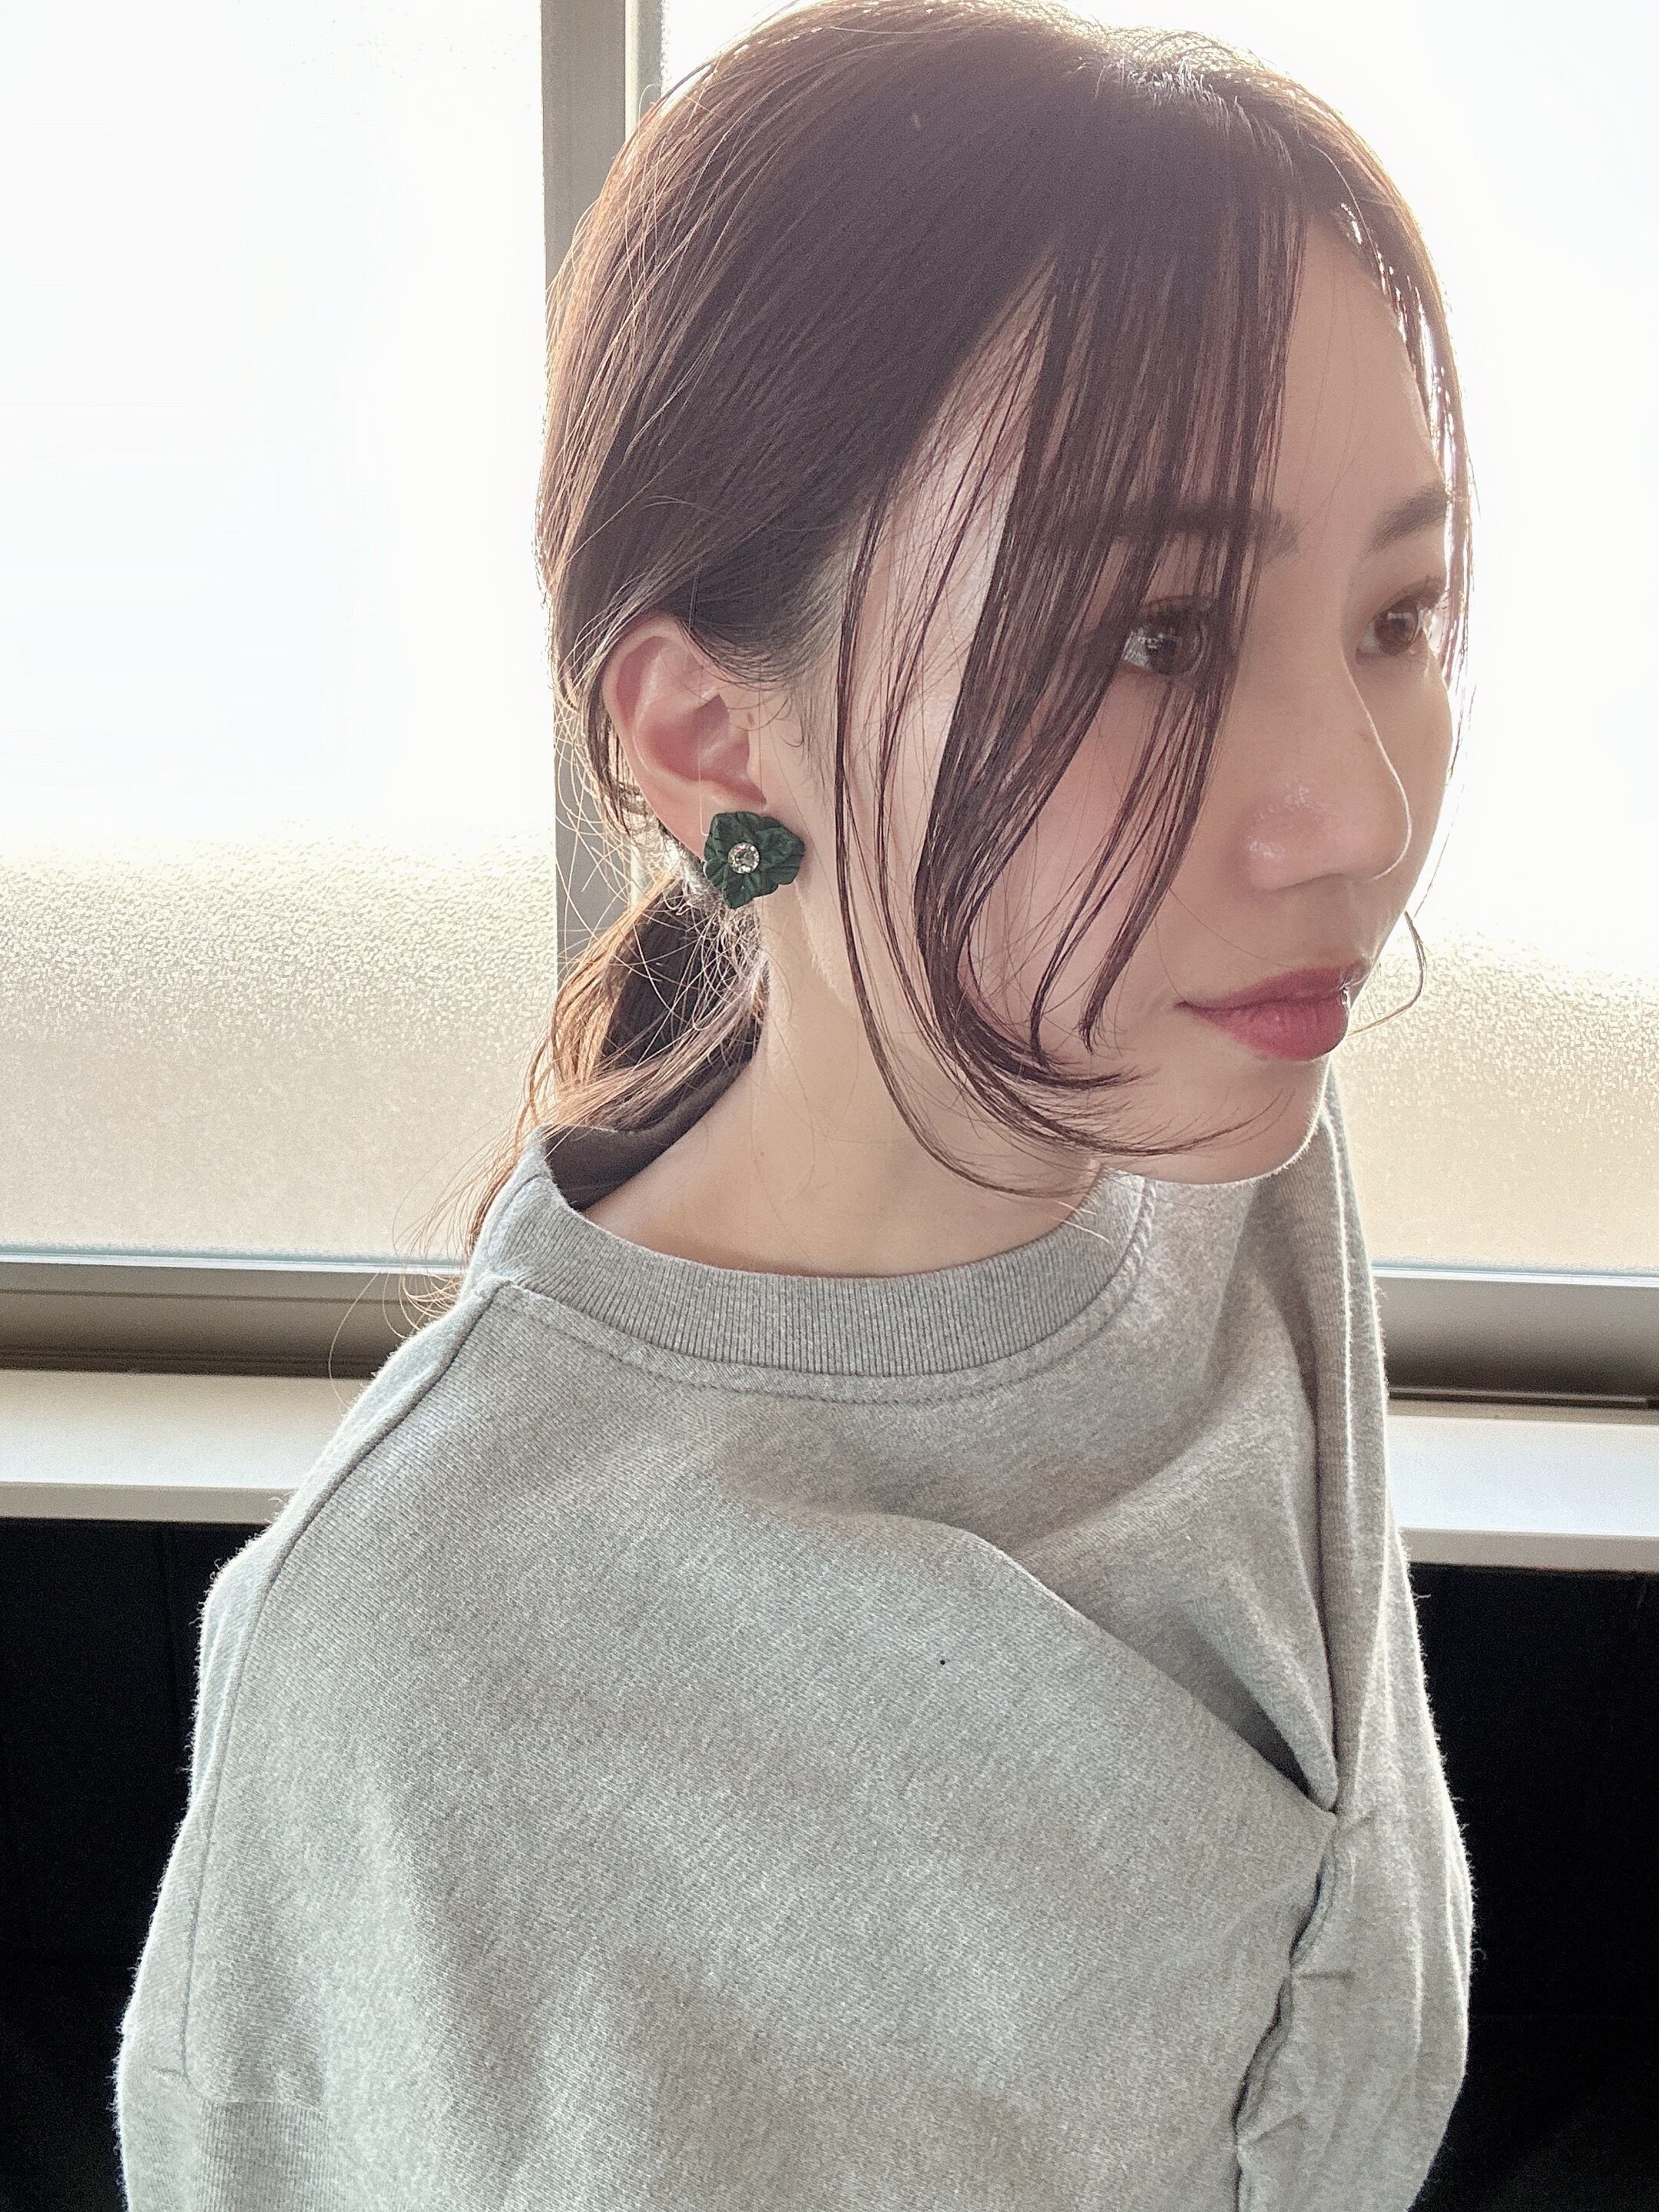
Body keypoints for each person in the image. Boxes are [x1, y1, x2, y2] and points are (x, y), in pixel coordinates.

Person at [115, 5, 1476, 2207]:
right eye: (1150, 639)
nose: (1357, 811)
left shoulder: (1215, 1136)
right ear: (712, 744)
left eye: (1399, 614)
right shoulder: (433, 1681)